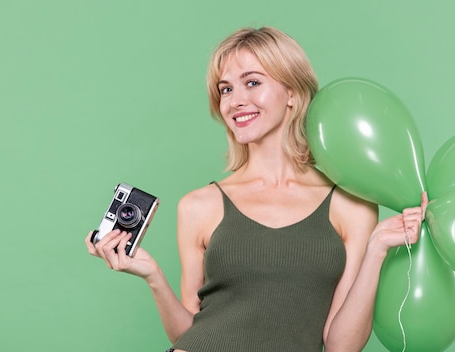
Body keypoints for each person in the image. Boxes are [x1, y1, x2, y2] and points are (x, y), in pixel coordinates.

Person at [85, 26, 428, 352]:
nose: (235, 101)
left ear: (292, 93)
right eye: (226, 89)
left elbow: (342, 345)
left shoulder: (351, 205)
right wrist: (153, 276)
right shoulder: (199, 206)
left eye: (252, 82)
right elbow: (188, 334)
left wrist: (377, 249)